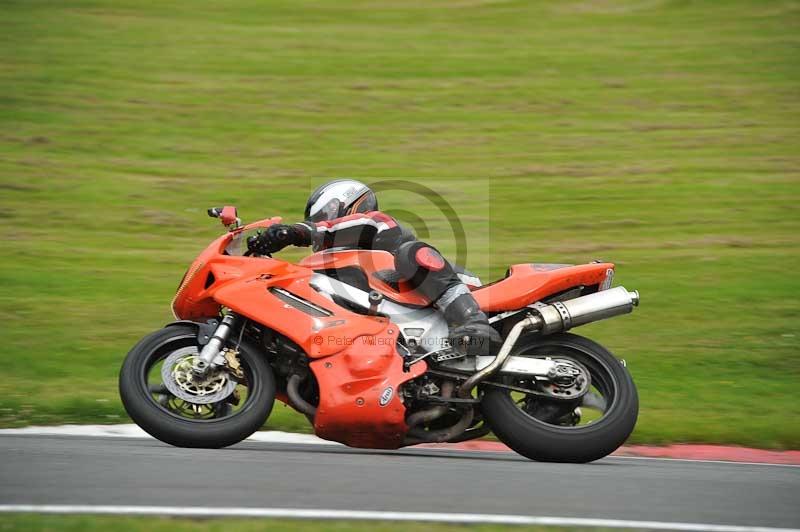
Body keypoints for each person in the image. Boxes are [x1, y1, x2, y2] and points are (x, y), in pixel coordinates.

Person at [247, 179, 501, 356]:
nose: (321, 222)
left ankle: (473, 322)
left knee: (410, 252)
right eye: (316, 220)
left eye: (326, 213)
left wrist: (295, 232)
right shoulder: (332, 269)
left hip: (465, 292)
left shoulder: (377, 224)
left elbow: (344, 229)